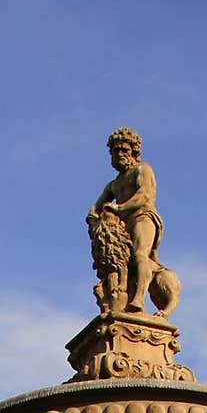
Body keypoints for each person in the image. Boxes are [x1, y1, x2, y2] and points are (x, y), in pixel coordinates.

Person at [88, 127, 163, 314]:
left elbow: (144, 195)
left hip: (143, 217)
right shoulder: (114, 184)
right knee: (121, 263)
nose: (120, 154)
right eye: (116, 151)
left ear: (134, 152)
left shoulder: (142, 170)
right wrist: (93, 218)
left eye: (124, 150)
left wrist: (120, 208)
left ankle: (138, 299)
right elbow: (96, 207)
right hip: (123, 224)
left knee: (139, 255)